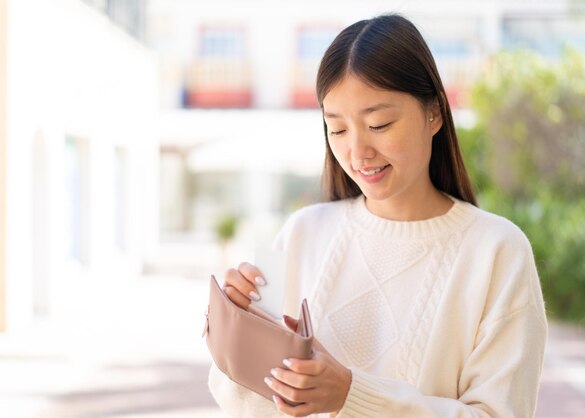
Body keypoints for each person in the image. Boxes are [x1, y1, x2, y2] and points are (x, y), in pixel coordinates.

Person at [208, 13, 547, 418]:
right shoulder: (302, 233)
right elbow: (244, 405)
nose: (358, 152)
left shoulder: (496, 251)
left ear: (434, 113)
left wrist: (352, 396)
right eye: (338, 130)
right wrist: (236, 333)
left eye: (379, 124)